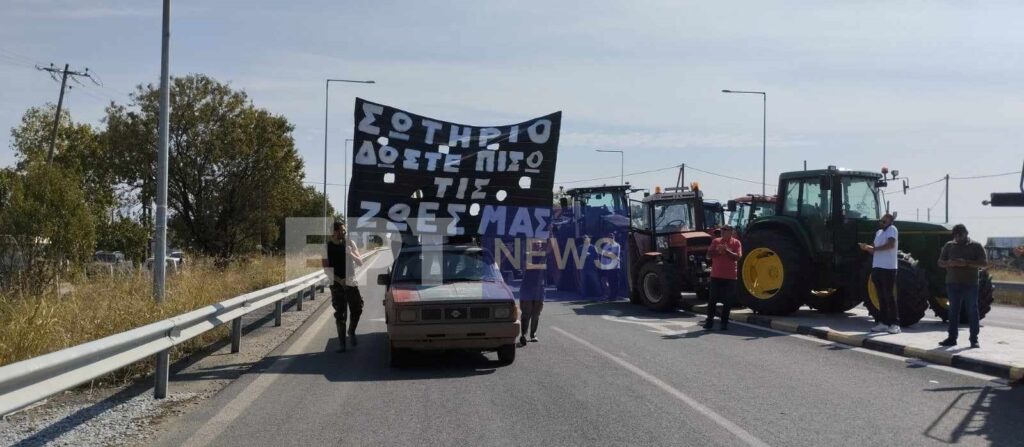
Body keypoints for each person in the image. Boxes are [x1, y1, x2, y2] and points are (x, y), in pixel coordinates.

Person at [937, 224, 988, 348]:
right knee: (953, 311)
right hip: (952, 283)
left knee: (972, 310)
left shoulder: (976, 246)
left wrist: (966, 263)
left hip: (970, 284)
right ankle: (951, 338)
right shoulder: (949, 246)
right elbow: (940, 262)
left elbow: (984, 263)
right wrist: (949, 263)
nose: (958, 237)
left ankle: (974, 339)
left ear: (966, 233)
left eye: (960, 235)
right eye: (955, 235)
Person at [324, 221, 364, 353]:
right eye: (341, 230)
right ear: (334, 232)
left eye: (344, 230)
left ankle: (351, 331)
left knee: (357, 309)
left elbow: (360, 262)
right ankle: (342, 344)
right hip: (336, 284)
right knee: (340, 314)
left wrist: (350, 253)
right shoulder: (327, 247)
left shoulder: (350, 243)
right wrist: (339, 280)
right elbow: (326, 268)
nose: (344, 232)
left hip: (351, 282)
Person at [859, 213, 900, 334]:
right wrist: (866, 247)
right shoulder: (878, 233)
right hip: (877, 267)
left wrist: (875, 249)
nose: (881, 223)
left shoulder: (892, 230)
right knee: (881, 296)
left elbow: (891, 245)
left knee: (889, 296)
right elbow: (873, 249)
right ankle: (883, 322)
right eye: (881, 221)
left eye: (884, 221)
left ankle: (895, 323)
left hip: (888, 267)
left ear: (890, 222)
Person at [704, 225, 742, 330]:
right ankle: (709, 322)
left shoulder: (736, 243)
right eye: (722, 230)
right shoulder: (716, 241)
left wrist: (727, 251)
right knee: (712, 300)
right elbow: (708, 255)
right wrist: (718, 251)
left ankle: (724, 323)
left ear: (731, 232)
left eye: (725, 230)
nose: (722, 232)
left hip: (730, 277)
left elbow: (738, 257)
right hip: (716, 275)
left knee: (728, 301)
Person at [520, 240, 546, 345]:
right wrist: (540, 265)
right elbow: (527, 266)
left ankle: (533, 334)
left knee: (536, 313)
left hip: (540, 288)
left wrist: (551, 232)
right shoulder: (527, 255)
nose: (538, 246)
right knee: (526, 313)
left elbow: (550, 247)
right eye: (536, 244)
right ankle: (523, 335)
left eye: (540, 244)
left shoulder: (543, 256)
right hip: (528, 287)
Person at [598, 232, 622, 301]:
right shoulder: (606, 245)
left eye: (612, 237)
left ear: (614, 238)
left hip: (615, 267)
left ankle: (614, 296)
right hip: (608, 267)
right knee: (610, 282)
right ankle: (611, 296)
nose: (611, 238)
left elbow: (614, 255)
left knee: (615, 282)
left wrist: (605, 254)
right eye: (609, 237)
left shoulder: (616, 245)